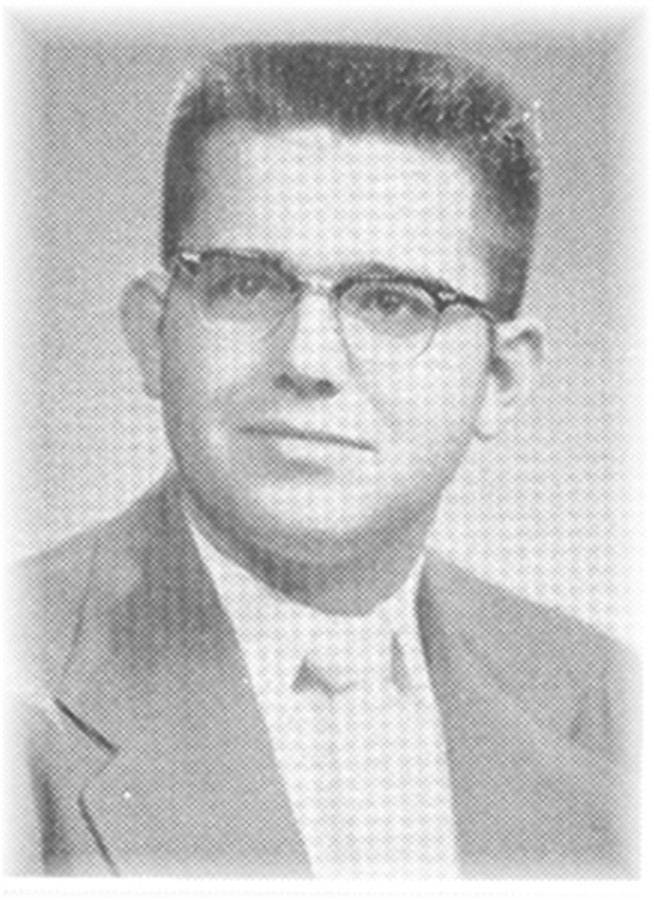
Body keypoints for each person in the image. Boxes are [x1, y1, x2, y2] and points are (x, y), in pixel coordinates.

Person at [10, 41, 637, 879]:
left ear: (500, 378)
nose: (308, 360)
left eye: (393, 302)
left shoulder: (611, 705)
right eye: (245, 283)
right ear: (155, 334)